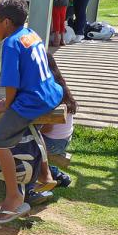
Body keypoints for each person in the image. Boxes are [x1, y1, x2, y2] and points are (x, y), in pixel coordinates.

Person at [0, 0, 64, 224]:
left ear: (7, 23)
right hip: (52, 92)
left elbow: (11, 84)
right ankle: (45, 173)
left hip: (33, 100)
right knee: (29, 127)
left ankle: (14, 197)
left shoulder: (10, 44)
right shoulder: (30, 34)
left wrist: (6, 104)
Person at [38, 53, 76, 189]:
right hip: (64, 138)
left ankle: (55, 174)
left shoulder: (50, 89)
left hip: (54, 142)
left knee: (22, 143)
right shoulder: (59, 83)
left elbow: (47, 128)